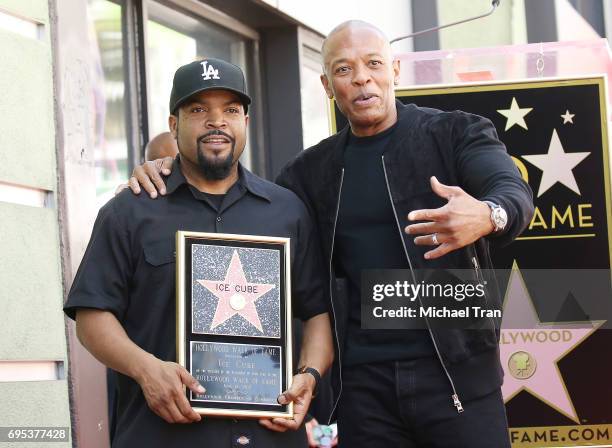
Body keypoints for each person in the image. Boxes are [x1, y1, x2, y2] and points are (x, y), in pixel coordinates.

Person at [128, 21, 534, 448]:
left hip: (459, 379)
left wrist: (490, 216)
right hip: (363, 389)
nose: (361, 77)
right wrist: (165, 172)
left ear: (394, 70)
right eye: (344, 69)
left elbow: (513, 193)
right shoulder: (309, 173)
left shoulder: (456, 133)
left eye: (373, 63)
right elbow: (243, 211)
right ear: (327, 85)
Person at [64, 57, 333, 448]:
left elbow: (316, 314)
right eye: (198, 109)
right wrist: (146, 370)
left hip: (266, 437)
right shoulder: (129, 211)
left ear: (245, 122)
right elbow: (91, 317)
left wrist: (309, 375)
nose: (216, 121)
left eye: (230, 110)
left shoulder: (287, 211)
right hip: (160, 436)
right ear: (174, 125)